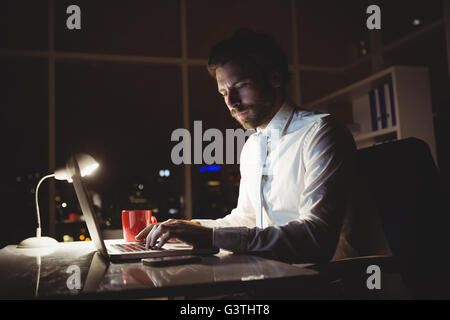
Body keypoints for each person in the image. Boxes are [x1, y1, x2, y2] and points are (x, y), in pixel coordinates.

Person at [136, 29, 357, 264]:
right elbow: (247, 218)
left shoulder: (321, 133)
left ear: (275, 79)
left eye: (240, 85)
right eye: (223, 93)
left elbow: (316, 239)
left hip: (318, 285)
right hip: (268, 276)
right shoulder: (253, 145)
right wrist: (189, 228)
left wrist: (211, 236)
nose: (231, 102)